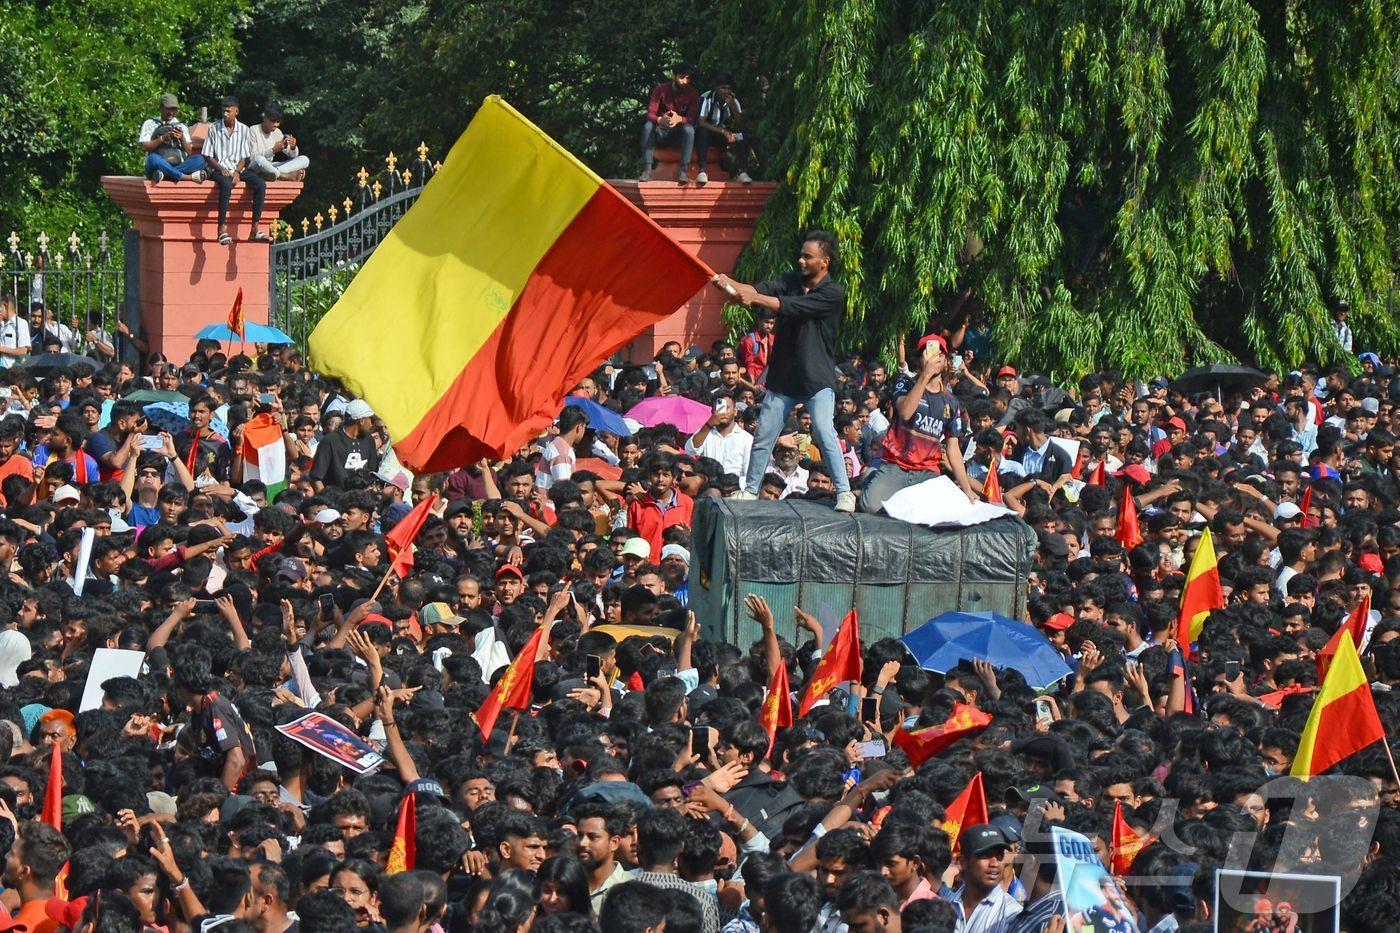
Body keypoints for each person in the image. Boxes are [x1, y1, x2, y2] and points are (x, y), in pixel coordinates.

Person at [716, 230, 856, 511]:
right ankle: (751, 490)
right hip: (783, 378)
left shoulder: (832, 293)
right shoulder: (790, 279)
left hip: (816, 379)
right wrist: (732, 286)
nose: (801, 261)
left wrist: (752, 298)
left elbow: (790, 306)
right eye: (801, 255)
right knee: (764, 435)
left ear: (824, 261)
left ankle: (844, 493)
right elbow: (762, 289)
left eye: (808, 256)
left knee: (824, 432)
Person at [858, 334, 977, 513]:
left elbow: (953, 448)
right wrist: (925, 376)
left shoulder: (951, 402)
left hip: (928, 471)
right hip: (896, 465)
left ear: (946, 361)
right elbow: (905, 412)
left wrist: (967, 488)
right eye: (928, 353)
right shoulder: (904, 384)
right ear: (919, 359)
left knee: (942, 513)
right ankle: (870, 482)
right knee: (870, 507)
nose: (933, 358)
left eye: (939, 354)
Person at [203, 96, 269, 246]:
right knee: (226, 184)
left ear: (236, 111)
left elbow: (244, 157)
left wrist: (237, 172)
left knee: (260, 184)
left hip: (237, 168)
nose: (225, 114)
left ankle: (255, 228)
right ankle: (222, 229)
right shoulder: (214, 128)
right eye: (223, 111)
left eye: (228, 111)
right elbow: (207, 155)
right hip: (218, 167)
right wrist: (222, 168)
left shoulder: (244, 130)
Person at [640, 64, 701, 185]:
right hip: (661, 132)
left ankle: (683, 172)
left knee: (689, 130)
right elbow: (650, 114)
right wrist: (660, 120)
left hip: (678, 134)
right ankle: (647, 170)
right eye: (682, 77)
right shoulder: (661, 90)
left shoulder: (692, 94)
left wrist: (679, 119)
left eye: (687, 78)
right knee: (648, 126)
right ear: (674, 76)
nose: (684, 81)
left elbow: (692, 119)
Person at [694, 74, 754, 185]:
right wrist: (723, 132)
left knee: (743, 135)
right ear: (717, 88)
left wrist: (732, 106)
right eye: (723, 88)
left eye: (728, 88)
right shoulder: (707, 98)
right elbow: (701, 122)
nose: (726, 91)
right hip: (710, 134)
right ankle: (702, 171)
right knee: (702, 132)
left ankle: (742, 172)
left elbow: (739, 123)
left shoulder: (733, 99)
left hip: (725, 135)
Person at [139, 93, 207, 183]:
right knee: (153, 159)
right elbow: (144, 146)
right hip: (159, 163)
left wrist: (181, 138)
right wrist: (163, 138)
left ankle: (166, 174)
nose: (171, 112)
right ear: (161, 108)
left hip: (176, 164)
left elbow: (190, 151)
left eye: (174, 109)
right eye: (168, 109)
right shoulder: (150, 123)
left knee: (200, 160)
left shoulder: (180, 126)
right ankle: (185, 177)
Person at [249, 103, 311, 181]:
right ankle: (285, 176)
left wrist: (293, 147)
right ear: (265, 118)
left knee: (304, 159)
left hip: (271, 167)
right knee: (259, 159)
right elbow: (252, 158)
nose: (276, 125)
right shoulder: (253, 130)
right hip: (257, 166)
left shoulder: (277, 132)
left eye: (278, 122)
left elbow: (292, 155)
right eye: (273, 121)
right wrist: (273, 150)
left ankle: (273, 174)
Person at [0, 292, 31, 369]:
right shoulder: (1, 324)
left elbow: (23, 352)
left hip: (12, 371)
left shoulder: (21, 323)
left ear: (5, 305)